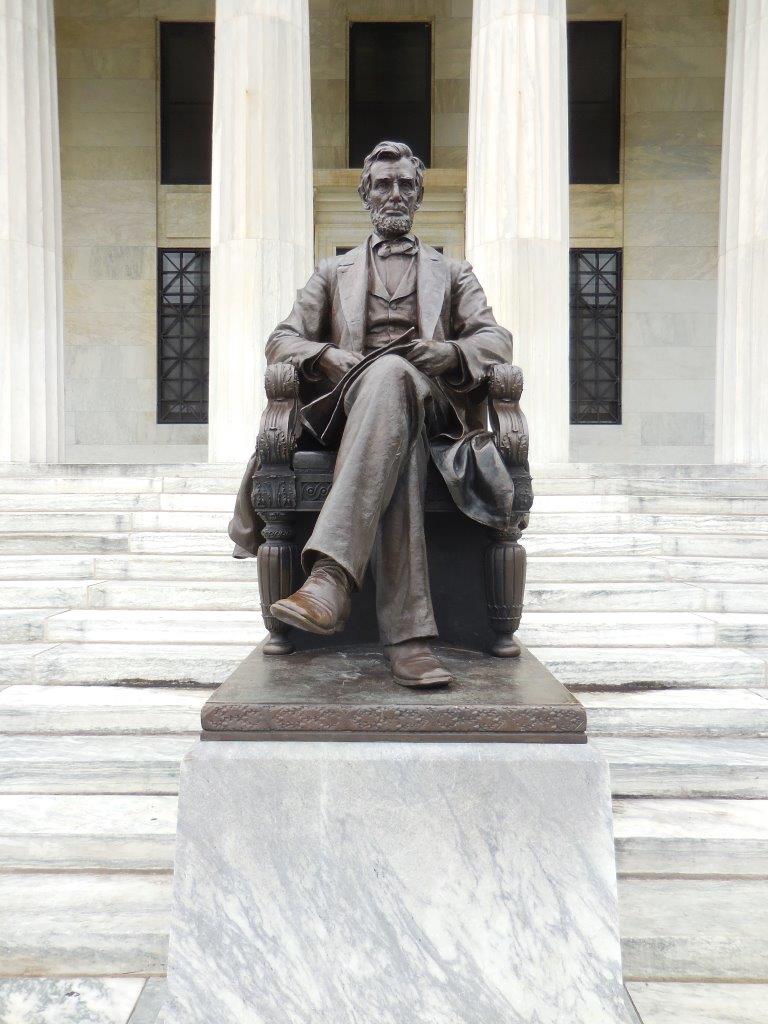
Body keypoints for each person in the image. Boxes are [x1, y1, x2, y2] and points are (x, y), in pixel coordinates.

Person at [232, 141, 516, 688]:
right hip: (346, 409)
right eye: (383, 185)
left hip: (431, 408)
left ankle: (331, 578)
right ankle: (408, 641)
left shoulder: (453, 273)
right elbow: (281, 341)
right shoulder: (331, 273)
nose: (394, 194)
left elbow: (495, 339)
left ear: (419, 196)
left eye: (406, 186)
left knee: (395, 382)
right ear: (366, 195)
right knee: (387, 400)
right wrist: (325, 356)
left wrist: (452, 353)